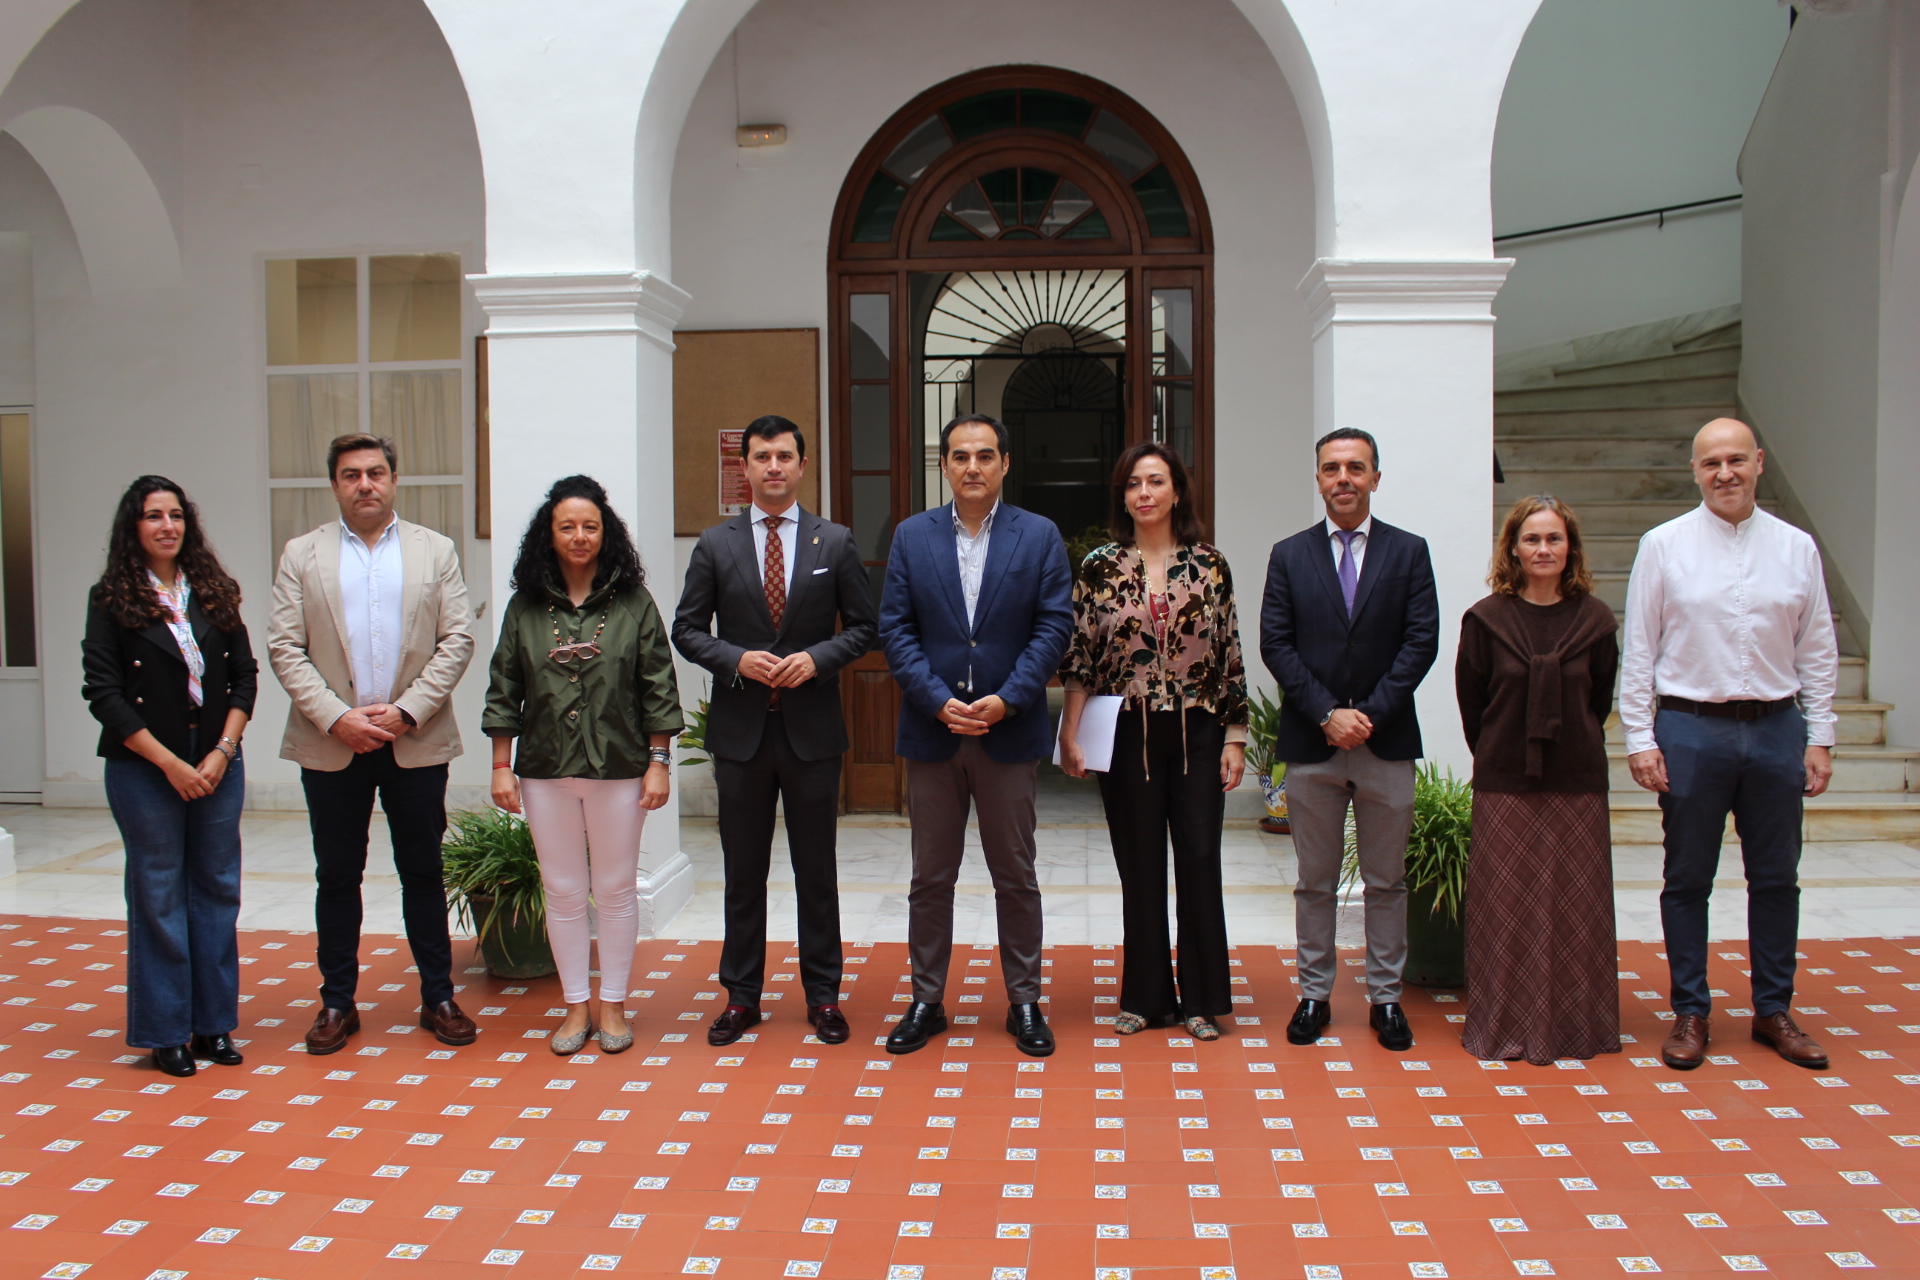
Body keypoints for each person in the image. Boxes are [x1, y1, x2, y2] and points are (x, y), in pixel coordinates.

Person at [1621, 417, 1837, 1071]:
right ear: (1695, 470)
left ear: (1759, 462)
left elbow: (1817, 647)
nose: (1725, 473)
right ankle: (1691, 1010)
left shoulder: (1796, 547)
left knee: (1776, 878)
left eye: (1736, 460)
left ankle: (1774, 1009)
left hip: (1776, 727)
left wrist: (1820, 735)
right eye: (1711, 462)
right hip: (1691, 728)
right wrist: (1639, 736)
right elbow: (1640, 647)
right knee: (1687, 877)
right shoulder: (1664, 545)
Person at [268, 433, 477, 1056]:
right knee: (337, 875)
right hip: (333, 742)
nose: (365, 484)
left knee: (423, 871)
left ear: (394, 479)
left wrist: (408, 711)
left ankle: (438, 996)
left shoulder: (434, 550)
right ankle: (337, 1002)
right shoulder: (302, 554)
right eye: (351, 474)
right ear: (334, 484)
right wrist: (337, 717)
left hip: (414, 739)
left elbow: (458, 639)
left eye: (376, 472)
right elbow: (284, 646)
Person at [672, 417, 877, 1048]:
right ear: (746, 467)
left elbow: (864, 627)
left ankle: (824, 996)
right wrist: (736, 659)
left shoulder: (834, 541)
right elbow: (687, 629)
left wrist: (818, 658)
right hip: (741, 736)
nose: (773, 467)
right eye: (761, 457)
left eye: (784, 456)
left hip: (813, 733)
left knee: (817, 872)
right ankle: (741, 996)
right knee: (743, 873)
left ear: (802, 465)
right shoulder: (716, 544)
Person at [878, 413, 1074, 1057]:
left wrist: (1009, 698)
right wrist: (936, 700)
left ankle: (1025, 1001)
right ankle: (926, 1001)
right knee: (930, 878)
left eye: (985, 455)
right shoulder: (912, 536)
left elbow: (1054, 626)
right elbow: (895, 629)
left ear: (1005, 464)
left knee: (1015, 874)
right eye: (960, 456)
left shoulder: (1038, 536)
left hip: (1007, 734)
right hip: (933, 734)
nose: (972, 467)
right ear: (943, 465)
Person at [485, 475, 683, 1055]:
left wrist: (659, 761)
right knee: (564, 891)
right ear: (548, 534)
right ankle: (576, 1006)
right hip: (544, 769)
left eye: (590, 526)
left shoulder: (633, 604)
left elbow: (658, 685)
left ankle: (614, 1004)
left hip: (620, 767)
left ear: (606, 533)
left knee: (616, 889)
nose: (579, 536)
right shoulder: (525, 607)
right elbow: (504, 686)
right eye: (567, 526)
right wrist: (501, 765)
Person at [1059, 442, 1248, 1041]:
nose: (1144, 493)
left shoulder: (1210, 565)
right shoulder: (1100, 567)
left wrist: (1236, 736)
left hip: (1199, 729)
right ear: (1123, 496)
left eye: (1156, 481)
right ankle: (1146, 996)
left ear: (1177, 491)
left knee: (1199, 860)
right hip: (1125, 729)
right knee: (1138, 864)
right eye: (1133, 483)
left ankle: (1202, 999)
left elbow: (1230, 651)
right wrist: (1069, 732)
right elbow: (1080, 657)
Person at [1260, 426, 1438, 1052]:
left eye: (1356, 468)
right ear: (1318, 479)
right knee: (1315, 881)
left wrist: (1369, 715)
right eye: (1332, 468)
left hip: (1385, 743)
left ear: (1375, 478)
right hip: (1314, 745)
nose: (1343, 479)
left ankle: (1386, 998)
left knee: (1386, 881)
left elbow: (1422, 640)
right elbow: (1276, 644)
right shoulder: (1289, 555)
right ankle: (1314, 994)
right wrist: (1327, 714)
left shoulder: (1409, 552)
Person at [83, 477, 256, 1078]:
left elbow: (244, 678)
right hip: (145, 767)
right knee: (158, 896)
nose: (167, 526)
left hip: (216, 760)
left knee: (217, 890)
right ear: (134, 526)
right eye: (154, 516)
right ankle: (165, 1033)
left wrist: (222, 751)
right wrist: (170, 764)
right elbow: (103, 694)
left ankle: (213, 1025)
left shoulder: (213, 589)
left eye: (176, 515)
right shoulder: (111, 598)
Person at [1455, 495, 1620, 1064]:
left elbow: (1599, 700)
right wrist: (1503, 751)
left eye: (1554, 538)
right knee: (1506, 907)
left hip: (1577, 780)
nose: (1543, 549)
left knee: (1576, 908)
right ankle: (1504, 1024)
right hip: (1505, 783)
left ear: (1570, 548)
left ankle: (1575, 1027)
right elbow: (1473, 705)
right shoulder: (1485, 621)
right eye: (1532, 539)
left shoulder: (1595, 621)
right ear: (1514, 549)